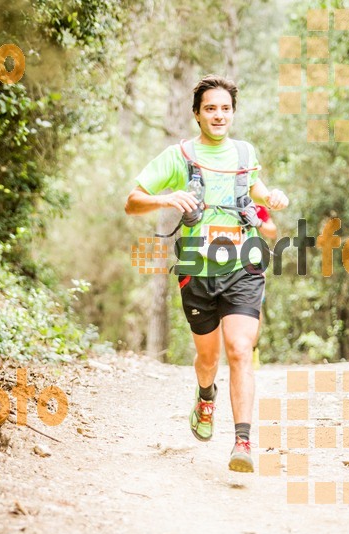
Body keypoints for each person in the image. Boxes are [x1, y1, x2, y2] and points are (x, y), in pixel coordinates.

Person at [125, 74, 288, 473]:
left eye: (225, 109)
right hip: (197, 269)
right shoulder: (179, 156)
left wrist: (273, 200)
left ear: (233, 114)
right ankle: (204, 395)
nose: (219, 115)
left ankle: (243, 442)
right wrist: (166, 198)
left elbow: (262, 200)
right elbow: (132, 201)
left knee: (240, 350)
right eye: (210, 108)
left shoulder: (245, 155)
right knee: (207, 358)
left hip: (243, 266)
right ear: (197, 114)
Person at [252, 205, 277, 368]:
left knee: (255, 310)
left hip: (252, 263)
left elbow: (272, 231)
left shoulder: (252, 199)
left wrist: (257, 222)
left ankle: (252, 350)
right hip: (216, 263)